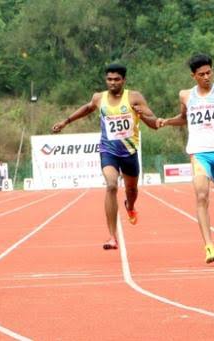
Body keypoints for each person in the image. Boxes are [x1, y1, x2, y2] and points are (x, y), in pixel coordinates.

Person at [52, 64, 161, 250]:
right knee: (111, 185)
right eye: (109, 79)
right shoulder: (99, 98)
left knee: (131, 191)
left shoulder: (134, 97)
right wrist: (65, 121)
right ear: (106, 80)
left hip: (130, 152)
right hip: (108, 151)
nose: (112, 83)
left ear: (124, 81)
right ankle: (112, 236)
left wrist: (142, 115)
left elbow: (155, 123)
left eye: (116, 79)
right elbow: (87, 108)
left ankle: (130, 206)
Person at [149, 54, 214, 264]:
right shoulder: (186, 96)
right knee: (201, 196)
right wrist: (167, 121)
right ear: (194, 76)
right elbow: (183, 118)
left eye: (209, 72)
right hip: (199, 153)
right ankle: (209, 246)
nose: (206, 77)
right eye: (202, 74)